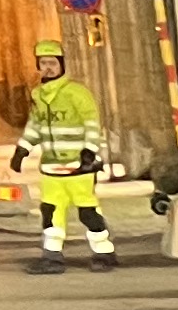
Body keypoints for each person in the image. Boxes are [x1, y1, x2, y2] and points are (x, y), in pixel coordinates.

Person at [11, 52, 118, 265]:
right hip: (51, 168)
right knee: (50, 212)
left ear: (62, 65)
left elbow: (91, 122)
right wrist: (22, 149)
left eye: (53, 63)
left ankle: (104, 252)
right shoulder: (38, 95)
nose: (48, 68)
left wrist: (89, 150)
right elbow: (36, 125)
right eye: (43, 63)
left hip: (79, 167)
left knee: (87, 212)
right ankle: (52, 256)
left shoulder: (76, 93)